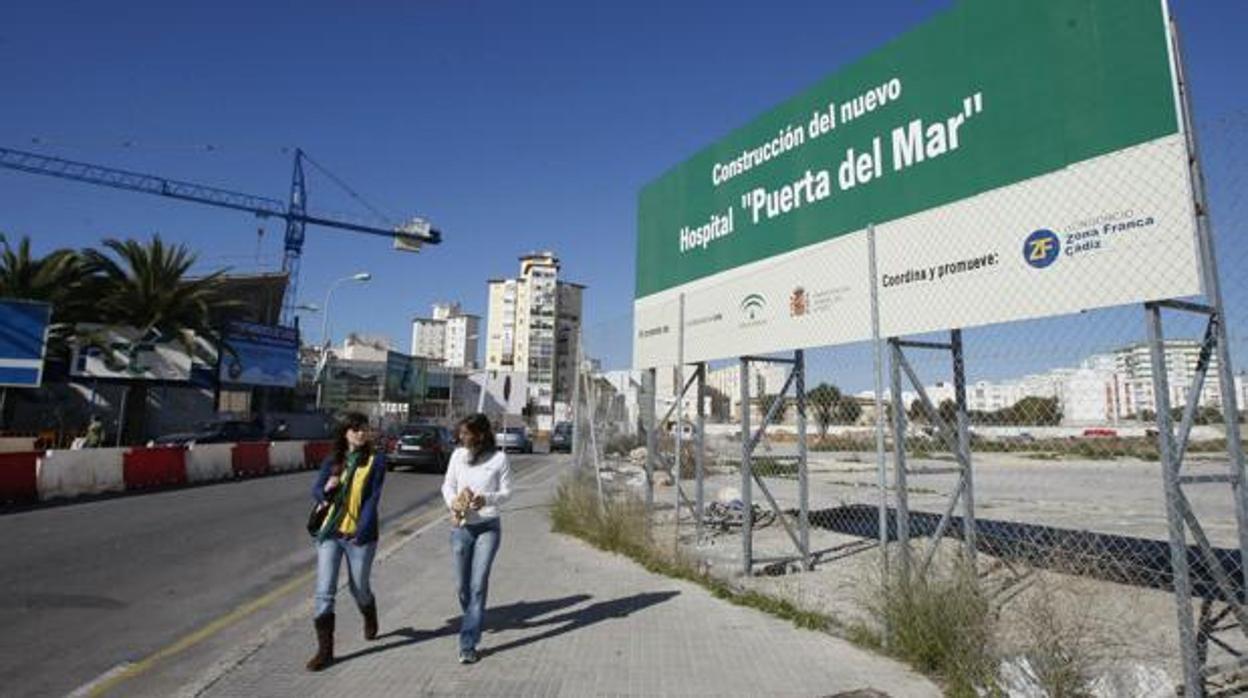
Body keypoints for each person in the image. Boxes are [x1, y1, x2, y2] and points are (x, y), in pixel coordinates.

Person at [305, 411, 387, 672]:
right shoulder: (333, 459)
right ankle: (325, 652)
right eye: (355, 429)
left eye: (364, 428)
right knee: (324, 591)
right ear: (345, 433)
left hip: (358, 535)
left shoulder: (375, 460)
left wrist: (361, 531)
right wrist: (327, 488)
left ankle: (369, 611)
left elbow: (373, 498)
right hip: (330, 532)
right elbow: (316, 490)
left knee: (358, 586)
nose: (361, 433)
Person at [441, 413, 512, 664]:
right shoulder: (458, 456)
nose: (461, 438)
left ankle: (468, 641)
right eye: (461, 433)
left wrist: (487, 498)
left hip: (488, 527)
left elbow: (507, 492)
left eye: (466, 434)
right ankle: (473, 616)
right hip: (461, 527)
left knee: (478, 584)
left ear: (480, 435)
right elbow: (447, 485)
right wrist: (455, 503)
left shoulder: (499, 458)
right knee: (463, 587)